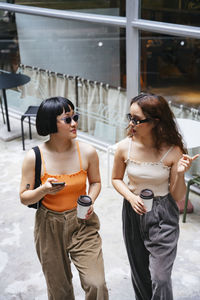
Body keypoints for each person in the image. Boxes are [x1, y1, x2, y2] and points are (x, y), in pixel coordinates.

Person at [19, 96, 109, 300]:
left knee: (97, 283)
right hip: (48, 226)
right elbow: (24, 197)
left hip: (82, 223)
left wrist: (90, 201)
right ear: (51, 123)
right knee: (59, 290)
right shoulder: (34, 157)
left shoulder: (87, 152)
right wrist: (44, 190)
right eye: (67, 119)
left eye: (74, 116)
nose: (75, 123)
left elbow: (96, 182)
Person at [111, 93, 199, 300]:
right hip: (133, 212)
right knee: (139, 272)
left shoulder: (173, 150)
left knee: (160, 277)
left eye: (137, 119)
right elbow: (116, 179)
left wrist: (180, 173)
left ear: (155, 121)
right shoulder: (125, 146)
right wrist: (131, 198)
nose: (131, 123)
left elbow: (178, 195)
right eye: (129, 117)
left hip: (163, 214)